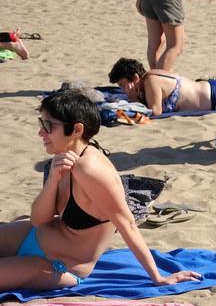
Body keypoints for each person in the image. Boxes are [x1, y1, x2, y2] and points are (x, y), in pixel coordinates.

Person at [0, 92, 203, 292]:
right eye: (41, 123)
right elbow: (38, 220)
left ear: (77, 129)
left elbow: (127, 223)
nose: (41, 133)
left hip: (56, 265)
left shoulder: (90, 170)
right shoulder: (63, 157)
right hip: (31, 234)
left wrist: (158, 277)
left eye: (48, 126)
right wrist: (53, 180)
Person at [109, 57, 216, 116]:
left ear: (135, 78)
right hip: (212, 92)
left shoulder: (151, 81)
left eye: (123, 85)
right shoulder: (149, 78)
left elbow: (155, 111)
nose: (123, 89)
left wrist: (134, 99)